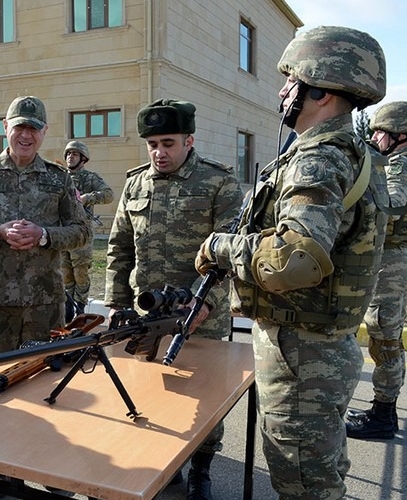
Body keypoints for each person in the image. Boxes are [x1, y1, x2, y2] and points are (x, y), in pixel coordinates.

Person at [194, 25, 388, 499]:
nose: (282, 92)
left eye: (291, 81)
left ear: (319, 90)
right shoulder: (346, 152)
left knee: (301, 481)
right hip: (317, 349)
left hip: (302, 354)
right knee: (319, 472)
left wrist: (221, 247)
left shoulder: (318, 160)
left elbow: (292, 261)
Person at [104, 99, 242, 499]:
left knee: (205, 397)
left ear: (189, 140)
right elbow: (119, 249)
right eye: (152, 144)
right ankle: (167, 461)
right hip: (145, 314)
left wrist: (205, 304)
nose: (159, 152)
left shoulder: (219, 184)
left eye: (168, 142)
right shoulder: (135, 183)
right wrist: (115, 302)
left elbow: (231, 255)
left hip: (202, 316)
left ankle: (202, 467)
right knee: (148, 391)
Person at [0, 96, 91, 353]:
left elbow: (82, 231)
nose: (26, 136)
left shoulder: (59, 179)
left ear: (44, 131)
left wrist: (44, 235)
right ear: (5, 127)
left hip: (44, 303)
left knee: (45, 380)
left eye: (33, 128)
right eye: (19, 127)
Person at [346, 101, 407, 440]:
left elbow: (391, 204)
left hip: (390, 263)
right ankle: (382, 410)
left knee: (384, 339)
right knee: (386, 336)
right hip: (392, 259)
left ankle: (383, 415)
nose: (375, 137)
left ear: (399, 135)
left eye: (379, 132)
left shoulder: (401, 164)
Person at [61, 140, 113, 320]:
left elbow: (108, 194)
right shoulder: (61, 177)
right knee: (65, 272)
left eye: (74, 154)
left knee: (80, 271)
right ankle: (68, 306)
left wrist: (87, 198)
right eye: (68, 154)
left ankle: (80, 307)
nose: (70, 157)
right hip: (63, 232)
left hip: (81, 233)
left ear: (83, 158)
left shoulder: (90, 178)